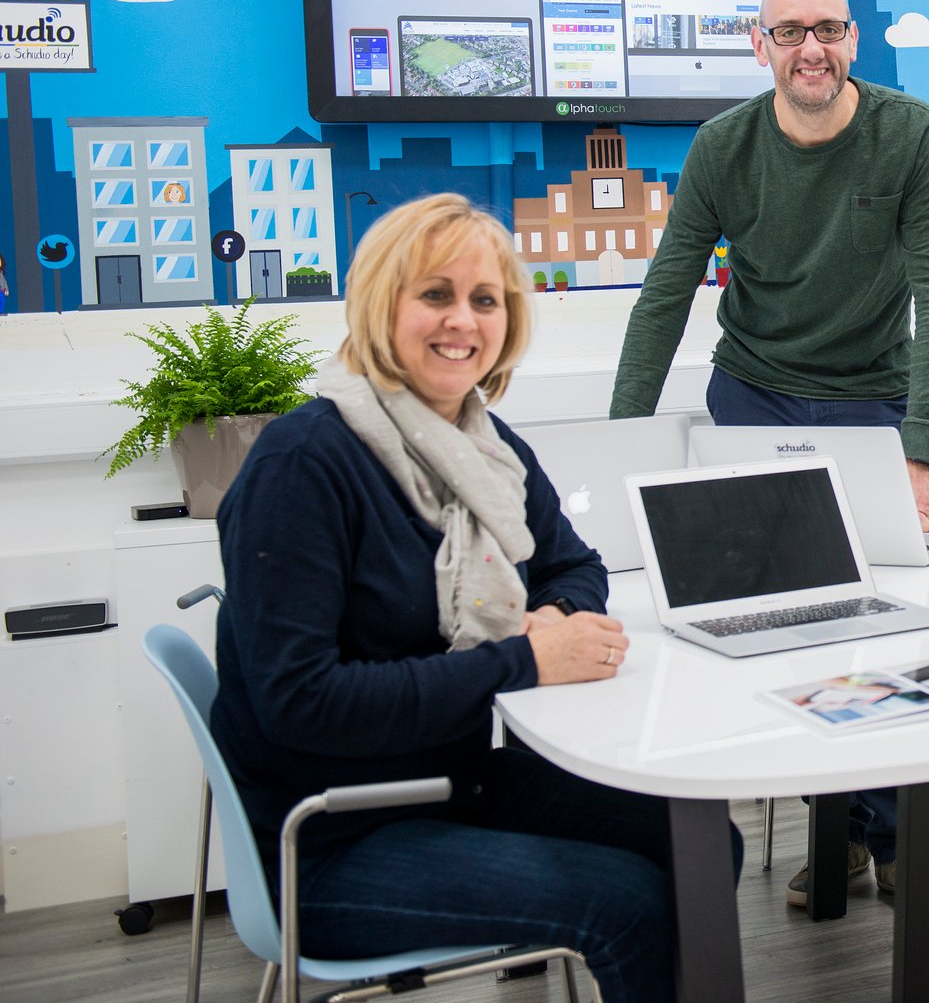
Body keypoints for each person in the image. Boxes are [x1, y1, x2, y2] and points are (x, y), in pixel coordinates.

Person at [211, 194, 740, 1003]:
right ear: (381, 303)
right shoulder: (303, 463)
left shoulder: (481, 446)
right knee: (627, 902)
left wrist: (551, 619)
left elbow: (575, 564)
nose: (463, 319)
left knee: (704, 843)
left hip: (448, 777)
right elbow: (301, 701)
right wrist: (523, 660)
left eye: (485, 299)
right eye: (436, 294)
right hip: (332, 832)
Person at [610, 0, 929, 906]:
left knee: (884, 625)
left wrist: (919, 450)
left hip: (871, 400)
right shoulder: (723, 147)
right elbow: (664, 296)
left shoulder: (910, 132)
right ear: (759, 45)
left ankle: (893, 834)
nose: (812, 48)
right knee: (780, 628)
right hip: (754, 397)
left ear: (852, 39)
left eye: (829, 29)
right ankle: (839, 829)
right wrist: (620, 446)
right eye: (791, 32)